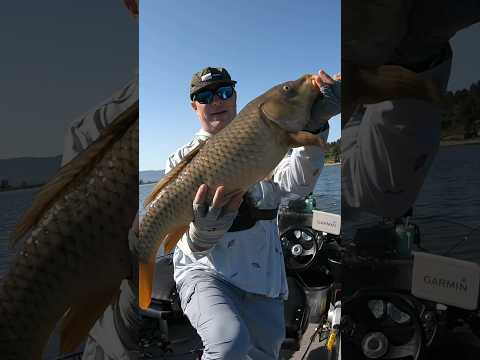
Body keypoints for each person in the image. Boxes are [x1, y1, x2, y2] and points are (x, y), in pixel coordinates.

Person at [168, 66, 340, 359]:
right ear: (194, 105)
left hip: (264, 280)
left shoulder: (268, 140)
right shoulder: (182, 161)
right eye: (205, 96)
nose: (217, 101)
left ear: (235, 97)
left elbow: (297, 186)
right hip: (206, 272)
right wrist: (202, 231)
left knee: (264, 353)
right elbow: (187, 243)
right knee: (228, 345)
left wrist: (314, 128)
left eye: (224, 92)